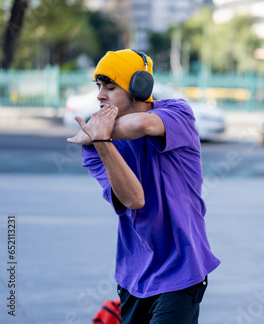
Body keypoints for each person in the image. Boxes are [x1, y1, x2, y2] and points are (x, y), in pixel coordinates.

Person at [67, 49, 220, 323]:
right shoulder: (95, 148)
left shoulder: (177, 113)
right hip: (133, 275)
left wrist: (96, 131)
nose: (100, 95)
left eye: (110, 87)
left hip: (181, 269)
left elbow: (140, 123)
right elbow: (134, 199)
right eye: (99, 87)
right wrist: (101, 142)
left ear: (139, 87)